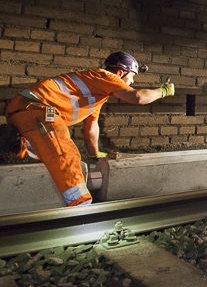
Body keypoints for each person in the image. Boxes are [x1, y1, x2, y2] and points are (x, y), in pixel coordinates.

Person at [4, 51, 175, 207]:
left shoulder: (97, 92)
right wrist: (163, 91)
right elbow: (138, 97)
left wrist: (95, 153)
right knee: (65, 153)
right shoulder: (105, 76)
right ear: (121, 73)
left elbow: (91, 127)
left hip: (27, 112)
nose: (132, 82)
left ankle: (12, 143)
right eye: (132, 77)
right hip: (39, 109)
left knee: (45, 151)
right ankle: (80, 207)